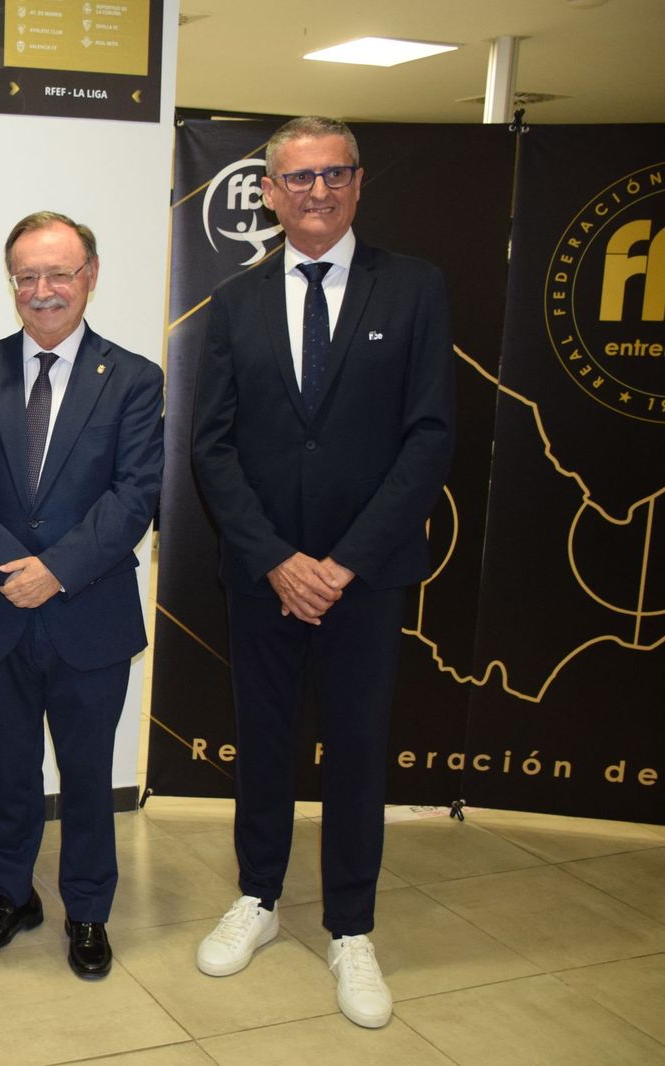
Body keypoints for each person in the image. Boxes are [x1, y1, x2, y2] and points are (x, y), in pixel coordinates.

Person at [190, 116, 455, 1028]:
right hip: (263, 578)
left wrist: (340, 563)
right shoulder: (235, 303)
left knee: (355, 751)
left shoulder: (414, 289)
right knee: (261, 741)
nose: (315, 192)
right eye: (297, 179)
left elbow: (430, 441)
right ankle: (257, 898)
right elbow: (212, 448)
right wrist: (276, 561)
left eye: (332, 175)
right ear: (269, 191)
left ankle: (351, 927)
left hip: (364, 579)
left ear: (357, 182)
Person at [0, 212, 164, 979]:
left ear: (89, 275)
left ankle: (89, 911)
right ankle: (11, 896)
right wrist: (12, 568)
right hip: (2, 608)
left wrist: (56, 570)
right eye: (26, 276)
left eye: (58, 274)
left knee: (89, 776)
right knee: (12, 767)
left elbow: (135, 496)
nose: (42, 291)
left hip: (89, 610)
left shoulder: (133, 379)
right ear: (12, 284)